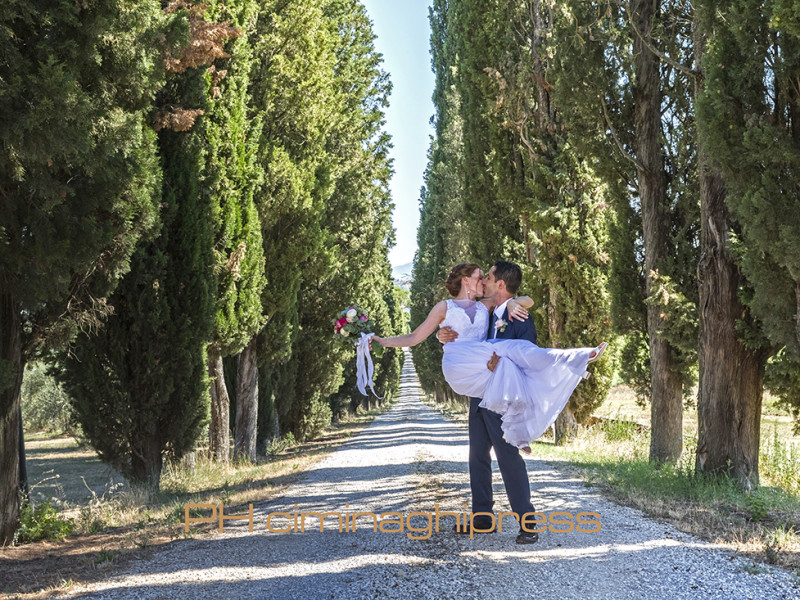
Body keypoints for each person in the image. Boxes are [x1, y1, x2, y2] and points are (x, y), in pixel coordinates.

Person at [372, 261, 606, 544]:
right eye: (480, 277)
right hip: (478, 391)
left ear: (500, 285)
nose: (484, 280)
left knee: (508, 457)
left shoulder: (512, 312)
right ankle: (482, 519)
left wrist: (508, 325)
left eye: (488, 277)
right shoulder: (482, 307)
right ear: (465, 281)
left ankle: (528, 522)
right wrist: (437, 334)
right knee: (477, 457)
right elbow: (436, 336)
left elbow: (526, 348)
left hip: (500, 394)